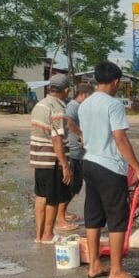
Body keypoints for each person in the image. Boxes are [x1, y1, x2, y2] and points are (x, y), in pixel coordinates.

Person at [80, 61, 139, 278]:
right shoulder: (113, 105)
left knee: (93, 216)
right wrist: (138, 169)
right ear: (116, 81)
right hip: (109, 167)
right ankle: (117, 271)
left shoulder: (85, 103)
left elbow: (84, 135)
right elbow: (120, 138)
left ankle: (94, 265)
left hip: (89, 163)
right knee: (117, 218)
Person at [30, 74, 73, 243]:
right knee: (53, 198)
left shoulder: (39, 105)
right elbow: (57, 139)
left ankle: (38, 235)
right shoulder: (57, 108)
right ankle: (48, 234)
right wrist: (65, 165)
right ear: (66, 90)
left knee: (41, 196)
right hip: (52, 159)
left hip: (39, 158)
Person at [56, 83, 93, 229]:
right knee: (72, 185)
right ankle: (60, 218)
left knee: (75, 185)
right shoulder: (73, 106)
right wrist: (80, 134)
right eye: (89, 97)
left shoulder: (78, 107)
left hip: (78, 151)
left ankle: (63, 212)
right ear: (83, 94)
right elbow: (69, 122)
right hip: (73, 151)